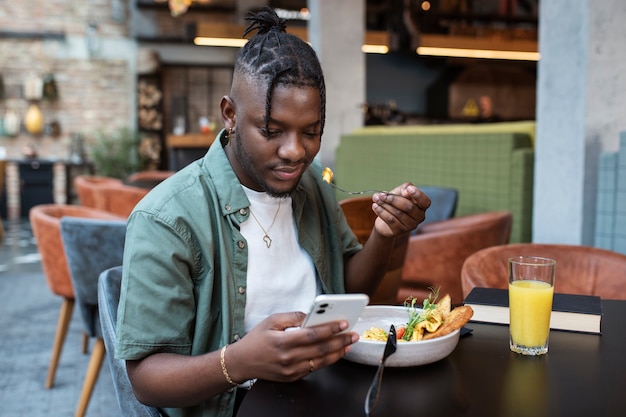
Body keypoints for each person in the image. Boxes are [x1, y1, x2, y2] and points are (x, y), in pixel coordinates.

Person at [115, 7, 431, 417]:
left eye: (311, 132)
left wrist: (386, 234)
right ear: (230, 115)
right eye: (271, 130)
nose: (295, 152)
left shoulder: (312, 183)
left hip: (326, 391)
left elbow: (351, 287)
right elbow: (146, 380)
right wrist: (238, 363)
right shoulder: (167, 219)